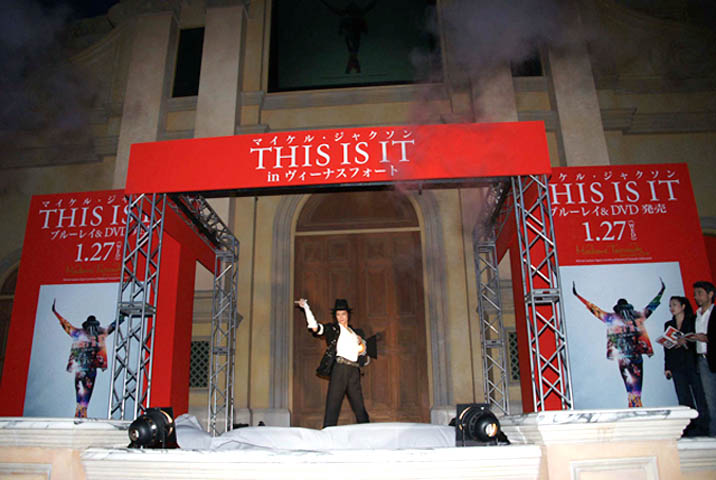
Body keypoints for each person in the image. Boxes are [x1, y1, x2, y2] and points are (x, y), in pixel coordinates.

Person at [572, 279, 665, 407]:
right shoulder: (637, 316)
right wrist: (661, 292)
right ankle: (636, 403)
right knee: (636, 380)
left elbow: (594, 309)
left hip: (623, 355)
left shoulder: (612, 318)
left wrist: (579, 296)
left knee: (629, 381)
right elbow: (651, 306)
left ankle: (634, 403)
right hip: (634, 353)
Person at [296, 297, 371, 427]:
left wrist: (361, 343)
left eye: (343, 314)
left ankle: (367, 431)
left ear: (348, 315)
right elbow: (315, 327)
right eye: (338, 314)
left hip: (354, 370)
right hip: (340, 369)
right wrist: (306, 308)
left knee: (359, 406)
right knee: (333, 405)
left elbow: (361, 352)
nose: (340, 317)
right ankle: (328, 433)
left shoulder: (354, 333)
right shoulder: (334, 329)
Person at [52, 299, 123, 418]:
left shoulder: (85, 333)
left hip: (86, 366)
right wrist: (56, 313)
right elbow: (112, 326)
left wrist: (121, 317)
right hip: (85, 366)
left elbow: (66, 325)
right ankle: (81, 412)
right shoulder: (97, 333)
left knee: (83, 390)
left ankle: (81, 412)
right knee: (83, 390)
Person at [663, 296, 710, 436]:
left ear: (683, 306)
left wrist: (686, 341)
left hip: (692, 362)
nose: (671, 308)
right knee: (683, 397)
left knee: (700, 395)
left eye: (674, 305)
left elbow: (697, 341)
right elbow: (667, 348)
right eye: (670, 305)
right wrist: (667, 367)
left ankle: (704, 426)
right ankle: (689, 427)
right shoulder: (668, 325)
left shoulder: (692, 320)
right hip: (677, 365)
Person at [693, 280, 716, 435]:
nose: (696, 297)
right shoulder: (696, 316)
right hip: (702, 359)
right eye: (695, 294)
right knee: (710, 399)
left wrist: (707, 338)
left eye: (700, 293)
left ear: (710, 294)